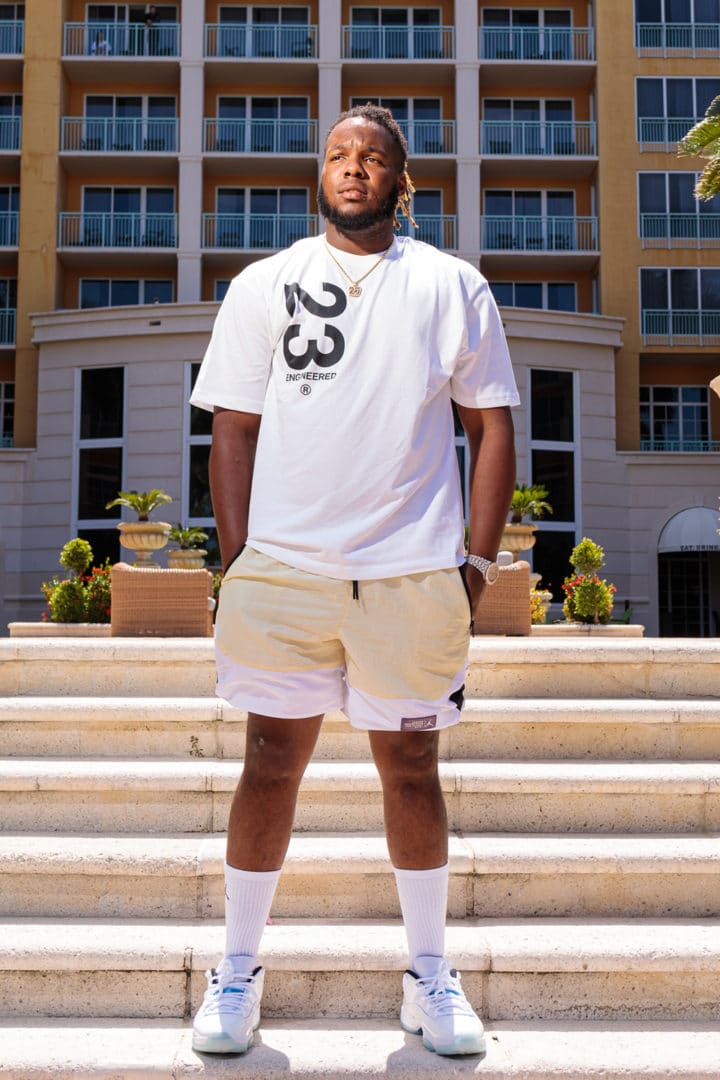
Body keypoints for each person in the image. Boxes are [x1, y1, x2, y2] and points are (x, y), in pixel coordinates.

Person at [190, 103, 519, 1057]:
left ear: (399, 181)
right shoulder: (263, 284)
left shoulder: (452, 285)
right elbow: (234, 428)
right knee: (267, 762)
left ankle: (428, 975)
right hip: (284, 573)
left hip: (411, 572)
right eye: (338, 154)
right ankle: (238, 972)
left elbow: (491, 424)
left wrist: (477, 562)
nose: (353, 168)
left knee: (412, 767)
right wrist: (240, 555)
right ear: (319, 175)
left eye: (372, 157)